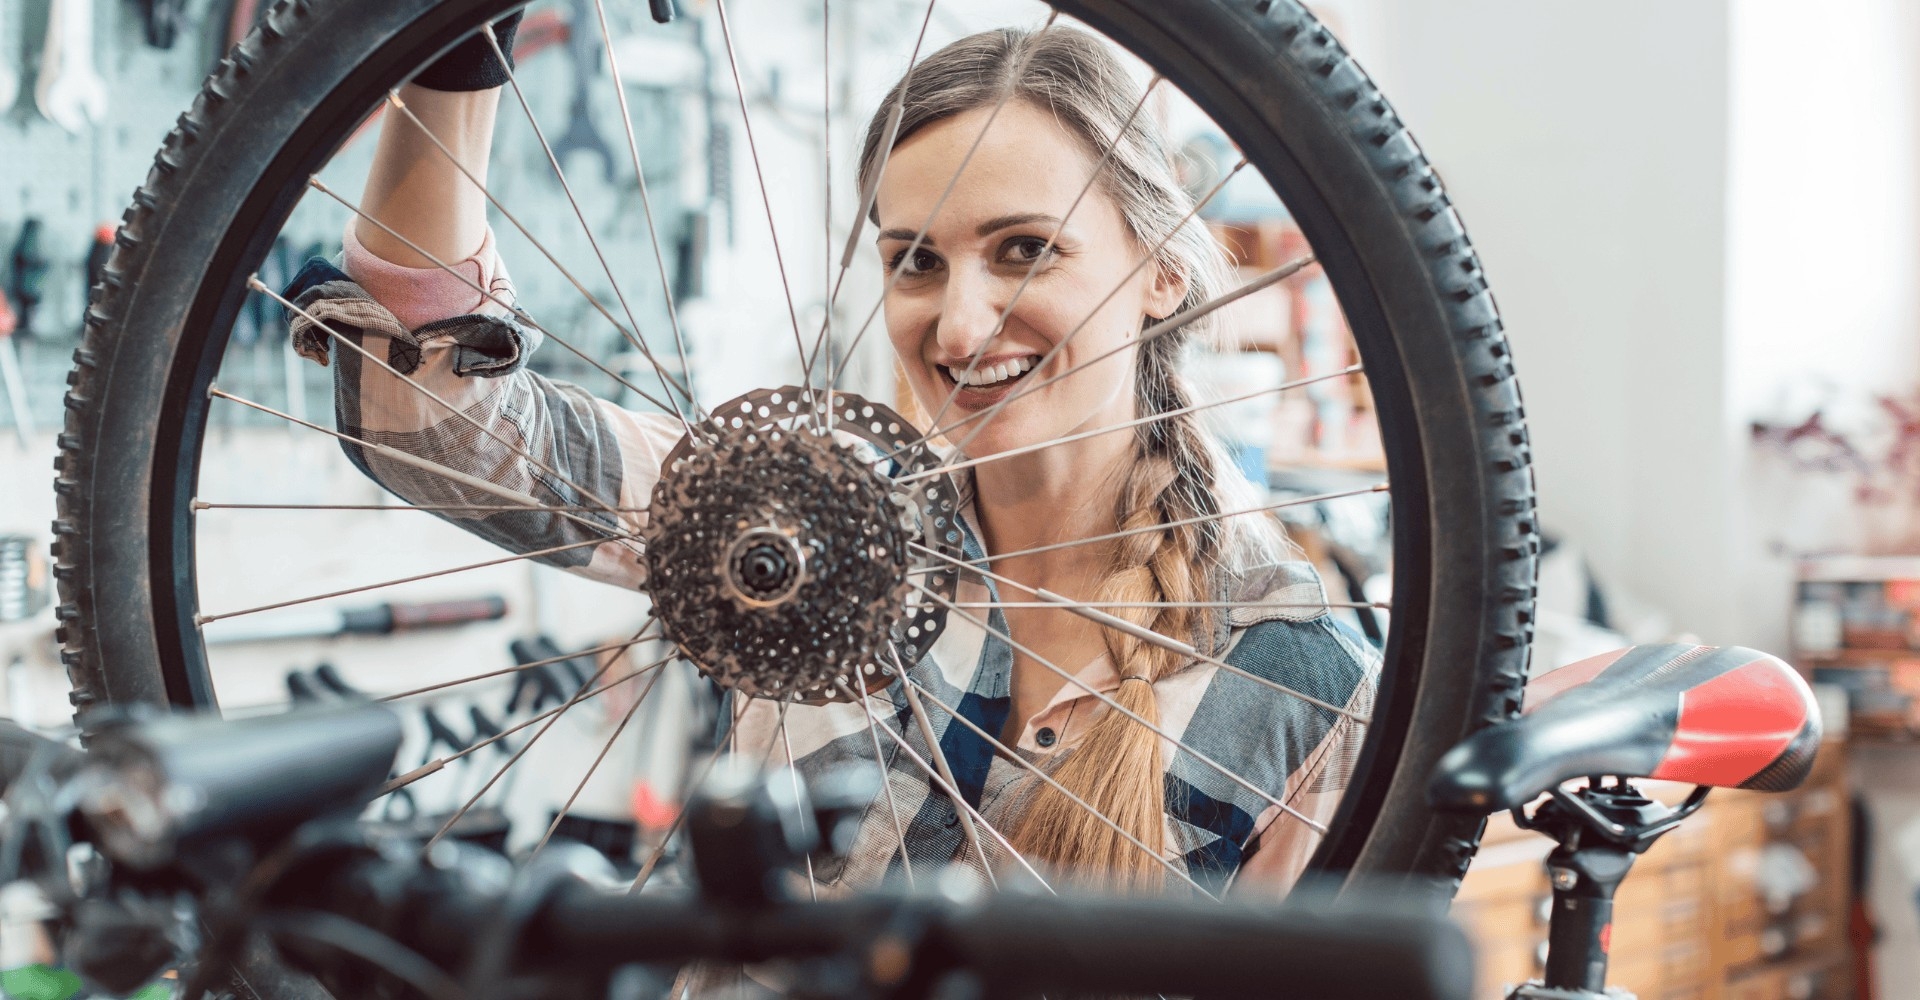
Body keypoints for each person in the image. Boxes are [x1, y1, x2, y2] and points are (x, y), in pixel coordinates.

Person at [281, 16, 1376, 900]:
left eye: (1025, 250)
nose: (958, 325)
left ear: (1162, 272)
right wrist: (456, 52)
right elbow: (429, 429)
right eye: (915, 262)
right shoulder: (811, 512)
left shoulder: (1296, 679)